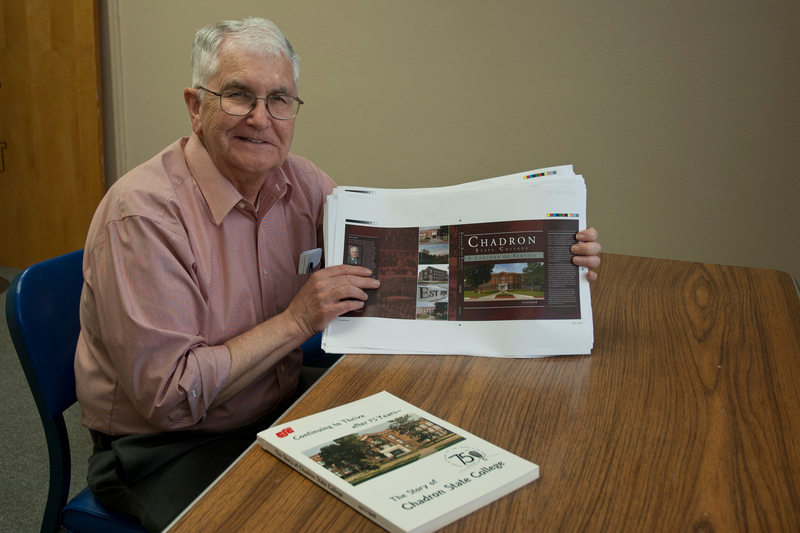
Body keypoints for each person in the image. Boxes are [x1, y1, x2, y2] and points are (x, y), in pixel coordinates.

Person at [74, 17, 601, 532]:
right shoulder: (143, 218)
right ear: (195, 108)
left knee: (442, 462)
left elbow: (399, 276)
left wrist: (555, 262)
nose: (262, 118)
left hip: (277, 400)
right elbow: (170, 398)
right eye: (238, 95)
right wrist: (298, 319)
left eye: (279, 99)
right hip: (167, 445)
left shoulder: (301, 183)